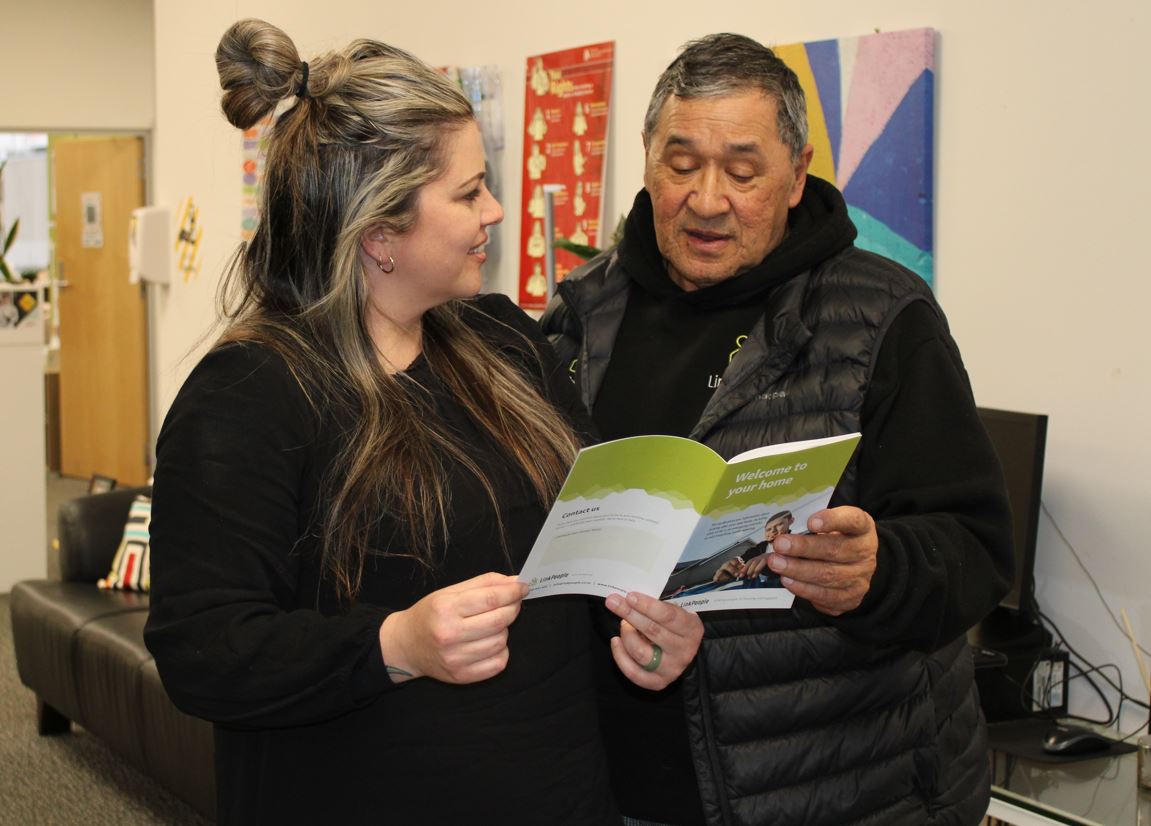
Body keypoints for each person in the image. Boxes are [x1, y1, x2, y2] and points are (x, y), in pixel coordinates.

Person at [143, 20, 702, 825]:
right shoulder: (250, 394)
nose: (497, 210)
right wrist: (393, 646)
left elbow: (588, 542)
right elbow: (204, 650)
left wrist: (651, 633)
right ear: (378, 233)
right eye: (469, 192)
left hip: (560, 789)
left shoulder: (503, 339)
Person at [541, 33, 1014, 826]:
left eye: (742, 170)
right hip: (611, 782)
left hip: (833, 789)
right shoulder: (581, 312)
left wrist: (878, 568)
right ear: (647, 160)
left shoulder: (881, 319)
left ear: (795, 177)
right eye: (680, 163)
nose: (706, 198)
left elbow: (975, 549)